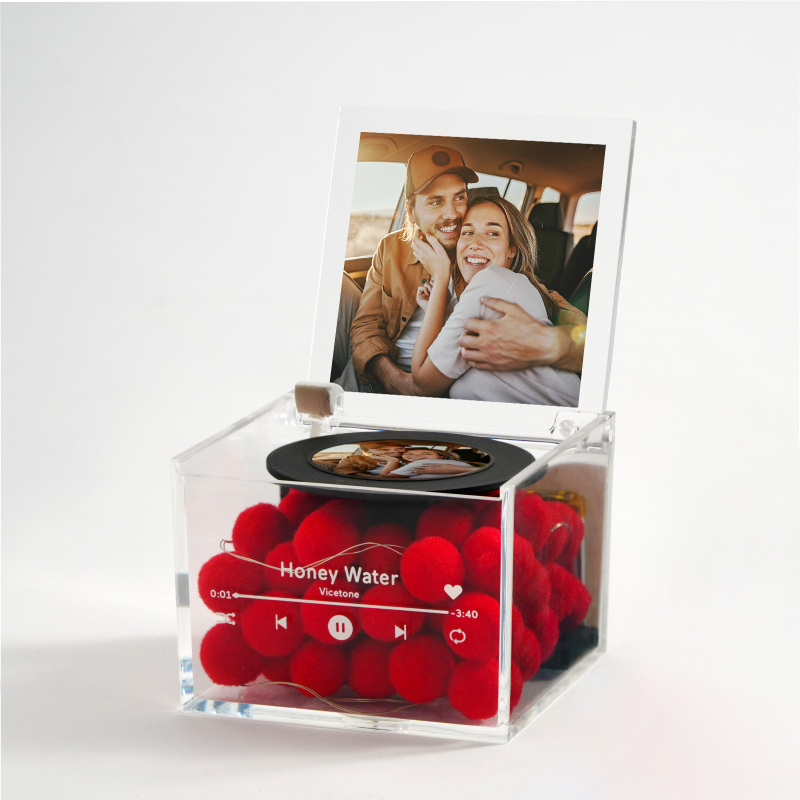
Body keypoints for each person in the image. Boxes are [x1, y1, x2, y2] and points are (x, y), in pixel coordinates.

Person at [410, 193, 581, 406]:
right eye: (468, 232)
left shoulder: (490, 281)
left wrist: (441, 274)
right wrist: (437, 310)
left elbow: (422, 384)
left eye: (492, 233)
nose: (475, 243)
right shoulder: (516, 287)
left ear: (512, 249)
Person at [335, 145, 479, 394]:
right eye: (435, 201)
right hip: (381, 370)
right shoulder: (391, 248)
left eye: (459, 197)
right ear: (411, 212)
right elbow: (366, 325)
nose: (452, 213)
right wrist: (393, 378)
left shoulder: (481, 252)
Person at [377, 447, 479, 479]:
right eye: (409, 454)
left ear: (441, 456)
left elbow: (385, 475)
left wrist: (392, 461)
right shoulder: (463, 464)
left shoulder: (422, 463)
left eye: (427, 453)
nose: (417, 457)